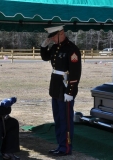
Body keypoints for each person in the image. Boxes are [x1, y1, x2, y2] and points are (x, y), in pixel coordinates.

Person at [40, 25, 81, 156]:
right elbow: (46, 57)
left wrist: (70, 92)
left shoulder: (71, 49)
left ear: (61, 33)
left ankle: (66, 147)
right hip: (56, 87)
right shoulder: (56, 47)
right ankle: (60, 145)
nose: (51, 39)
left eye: (53, 36)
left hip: (65, 89)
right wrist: (43, 47)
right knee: (58, 118)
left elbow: (75, 73)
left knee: (66, 120)